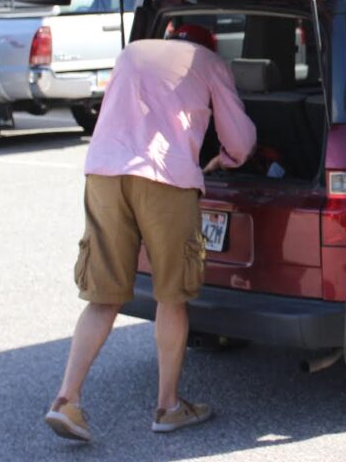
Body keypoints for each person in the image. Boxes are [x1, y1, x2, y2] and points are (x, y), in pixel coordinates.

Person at [43, 23, 256, 443]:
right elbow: (241, 139)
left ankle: (67, 400)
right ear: (208, 45)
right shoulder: (209, 62)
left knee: (103, 297)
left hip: (104, 173)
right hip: (165, 178)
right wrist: (227, 159)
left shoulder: (132, 52)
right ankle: (168, 406)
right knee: (171, 296)